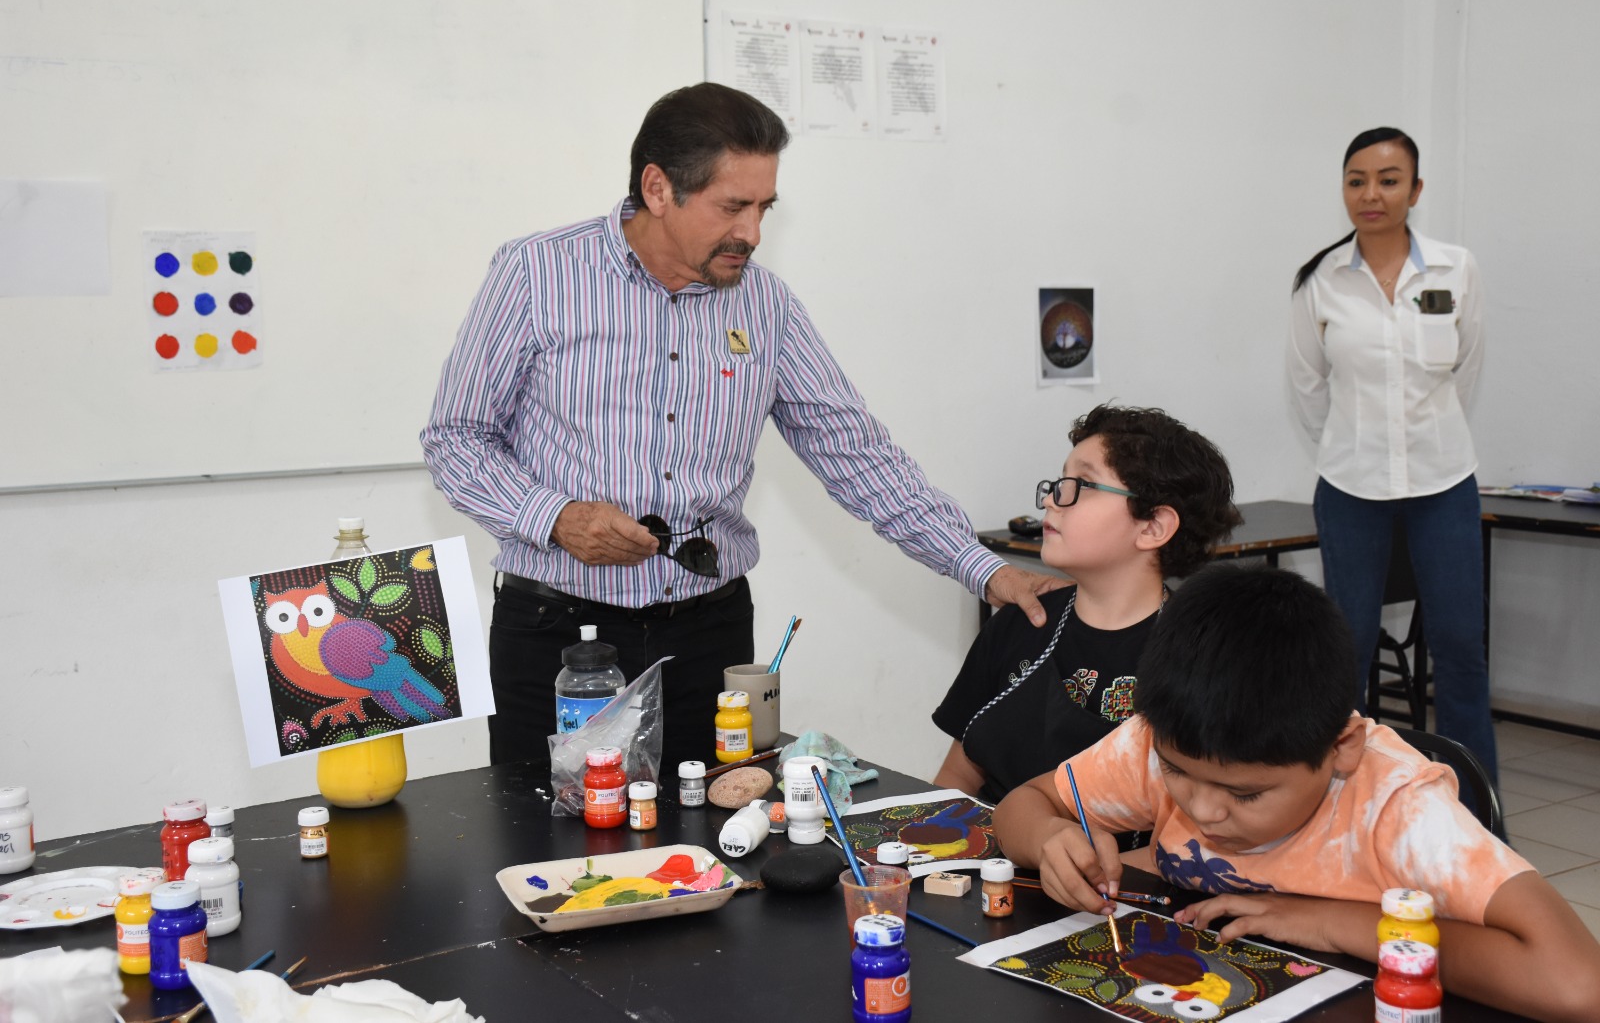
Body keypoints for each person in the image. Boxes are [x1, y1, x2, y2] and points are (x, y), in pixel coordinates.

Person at [421, 82, 1058, 780]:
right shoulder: (537, 274)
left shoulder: (767, 305)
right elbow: (456, 437)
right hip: (559, 642)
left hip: (710, 639)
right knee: (549, 853)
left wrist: (981, 566)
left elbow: (856, 453)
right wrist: (558, 517)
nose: (753, 234)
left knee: (712, 852)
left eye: (765, 209)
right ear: (658, 188)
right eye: (734, 207)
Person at [993, 565, 1600, 1022]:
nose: (1203, 810)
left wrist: (1331, 923)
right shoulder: (1164, 740)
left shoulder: (1399, 809)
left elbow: (1578, 983)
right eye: (1179, 775)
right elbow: (1022, 805)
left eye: (1246, 794)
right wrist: (1052, 837)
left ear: (1341, 750)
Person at [1286, 126, 1496, 778]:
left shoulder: (1455, 268)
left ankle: (1474, 810)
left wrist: (1416, 437)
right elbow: (1306, 386)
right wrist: (1358, 446)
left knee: (1460, 648)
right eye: (1356, 181)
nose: (1370, 194)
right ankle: (1341, 803)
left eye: (1388, 179)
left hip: (1444, 484)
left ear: (1415, 189)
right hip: (1351, 491)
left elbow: (1465, 370)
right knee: (1345, 649)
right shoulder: (1319, 280)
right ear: (1343, 191)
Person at [931, 404, 1240, 804]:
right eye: (1060, 481)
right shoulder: (1020, 623)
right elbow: (955, 779)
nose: (1052, 501)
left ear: (1153, 527)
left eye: (1084, 484)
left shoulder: (1201, 656)